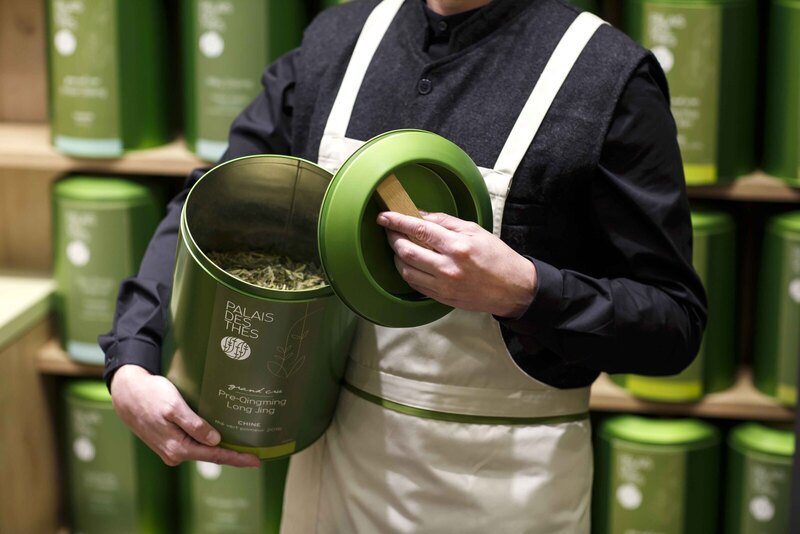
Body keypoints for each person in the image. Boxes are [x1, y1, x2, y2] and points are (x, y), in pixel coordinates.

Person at [102, 0, 707, 531]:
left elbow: (674, 323)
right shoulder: (337, 40)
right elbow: (209, 203)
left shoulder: (606, 75)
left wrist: (525, 290)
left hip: (503, 493)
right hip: (330, 470)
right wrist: (131, 356)